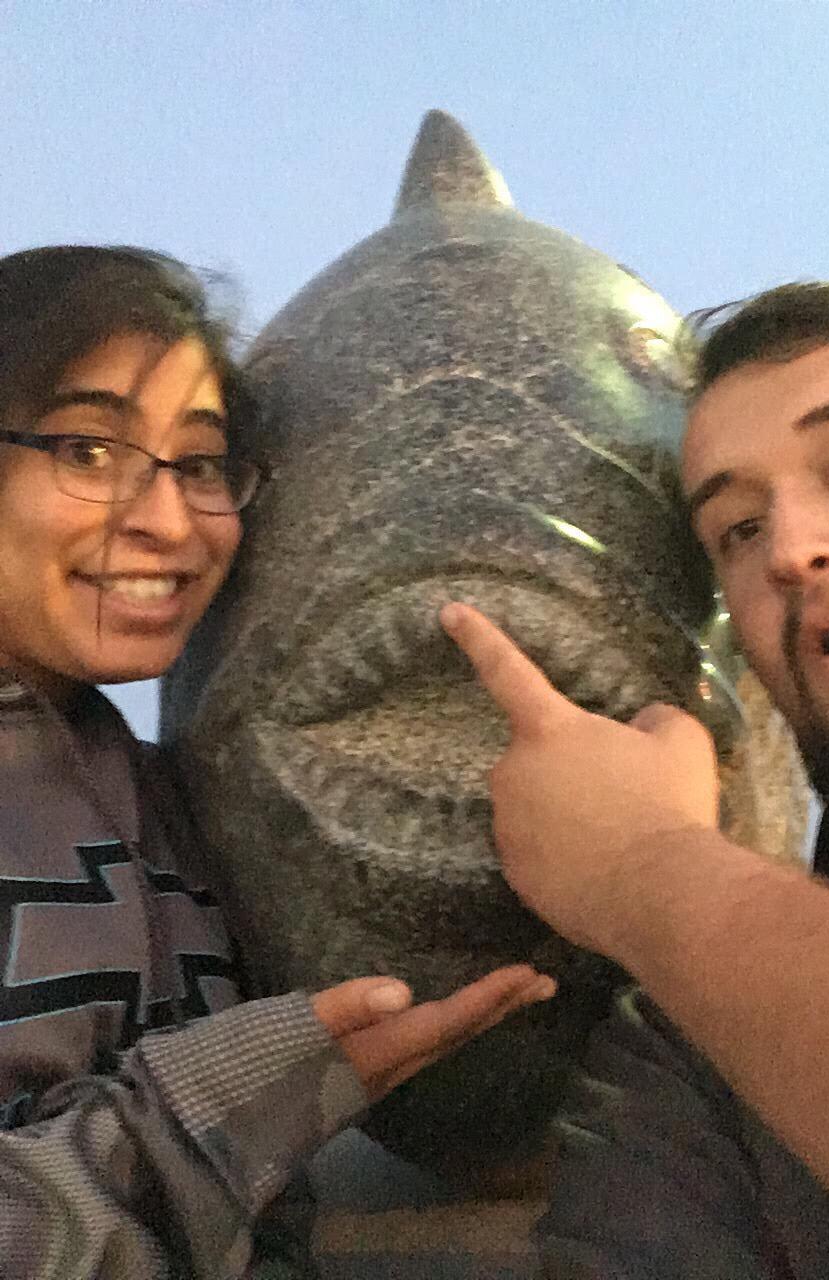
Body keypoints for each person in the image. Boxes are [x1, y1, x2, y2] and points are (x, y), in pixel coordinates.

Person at [0, 244, 555, 1280]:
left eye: (201, 463)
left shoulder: (182, 804)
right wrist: (205, 1122)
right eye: (88, 449)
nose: (168, 520)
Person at [440, 280, 829, 1280]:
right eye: (738, 529)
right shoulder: (686, 1051)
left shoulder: (672, 921)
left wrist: (643, 866)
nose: (791, 551)